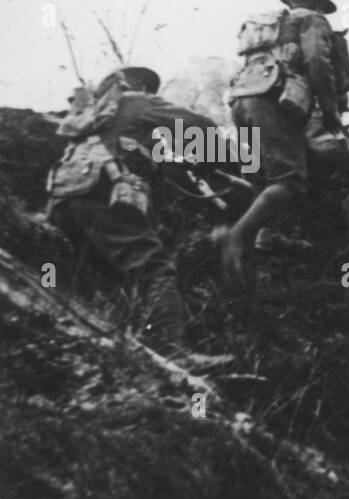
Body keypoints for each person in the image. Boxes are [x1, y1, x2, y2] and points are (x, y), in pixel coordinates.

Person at [46, 66, 229, 366]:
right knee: (155, 268)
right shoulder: (137, 101)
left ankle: (111, 354)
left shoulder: (90, 113)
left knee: (108, 276)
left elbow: (140, 154)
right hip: (103, 195)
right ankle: (171, 352)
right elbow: (200, 125)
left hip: (63, 202)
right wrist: (211, 162)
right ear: (141, 85)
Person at [216, 0, 344, 280]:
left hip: (240, 101)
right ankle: (234, 238)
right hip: (272, 102)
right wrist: (331, 112)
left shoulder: (266, 25)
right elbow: (317, 63)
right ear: (315, 3)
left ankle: (263, 238)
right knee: (290, 179)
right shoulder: (311, 20)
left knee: (261, 172)